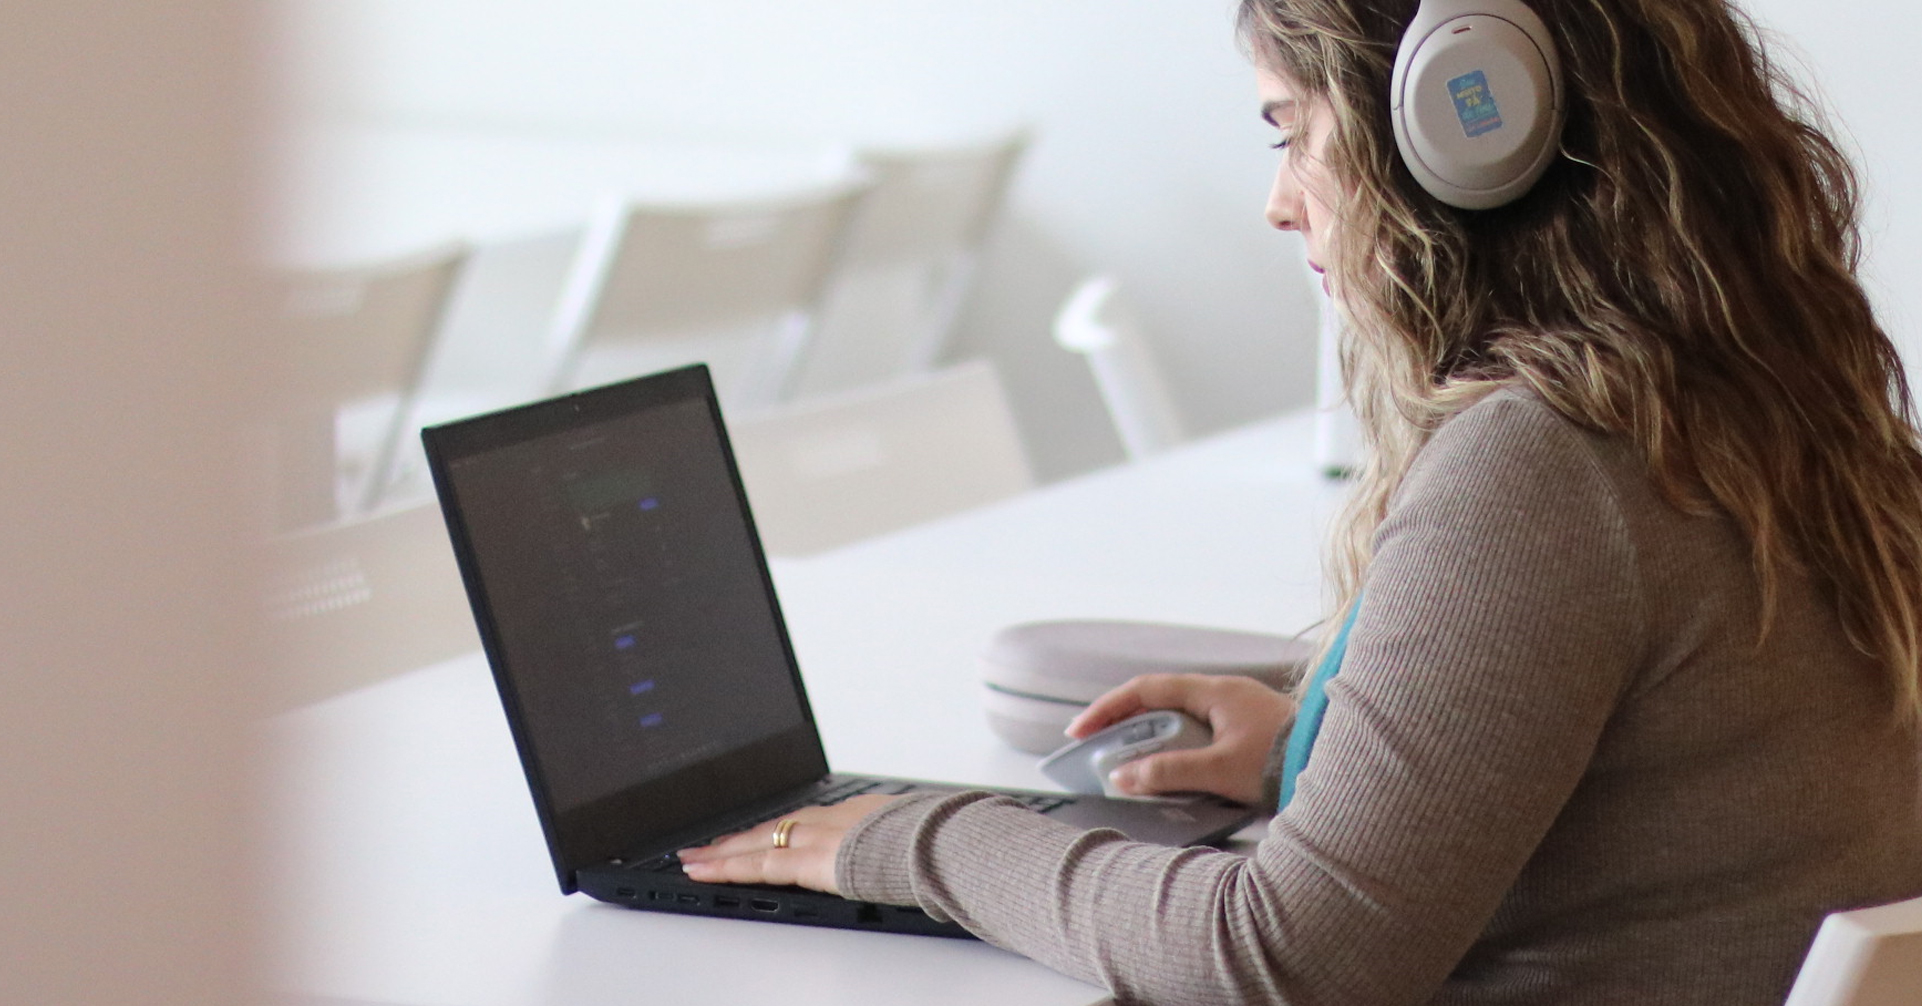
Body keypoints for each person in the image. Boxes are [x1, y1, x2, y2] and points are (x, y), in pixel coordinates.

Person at [678, 0, 1922, 1001]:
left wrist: (900, 839)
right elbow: (1674, 775)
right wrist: (1319, 748)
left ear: (1457, 124)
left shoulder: (1546, 465)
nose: (1278, 199)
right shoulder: (1786, 412)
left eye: (1286, 131)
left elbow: (1277, 963)